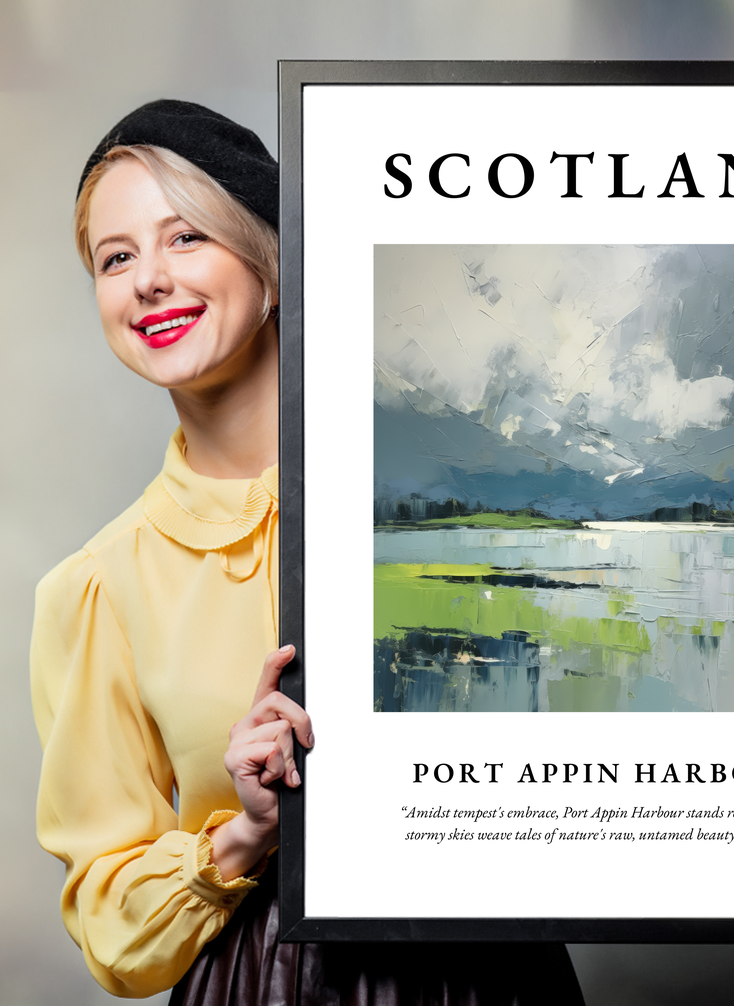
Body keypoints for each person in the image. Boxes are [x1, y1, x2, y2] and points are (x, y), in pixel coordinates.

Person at [30, 100, 585, 1004]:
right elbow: (110, 923)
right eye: (116, 257)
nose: (148, 281)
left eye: (186, 239)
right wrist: (245, 832)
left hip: (492, 973)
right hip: (263, 982)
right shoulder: (97, 587)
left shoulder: (449, 499)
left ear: (273, 264)